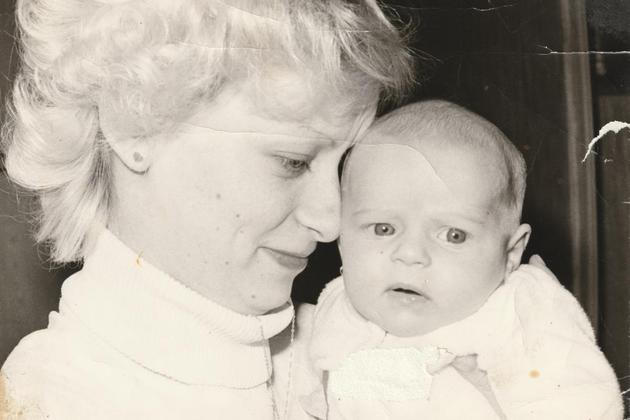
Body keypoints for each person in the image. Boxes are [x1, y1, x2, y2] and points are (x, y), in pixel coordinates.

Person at [0, 0, 414, 418]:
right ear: (135, 126)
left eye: (342, 167)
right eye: (294, 161)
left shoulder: (352, 354)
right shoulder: (50, 400)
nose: (330, 222)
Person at [301, 100, 623, 419]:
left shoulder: (521, 310)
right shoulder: (335, 312)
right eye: (383, 229)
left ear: (511, 254)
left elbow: (590, 404)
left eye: (454, 235)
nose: (410, 254)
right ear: (342, 239)